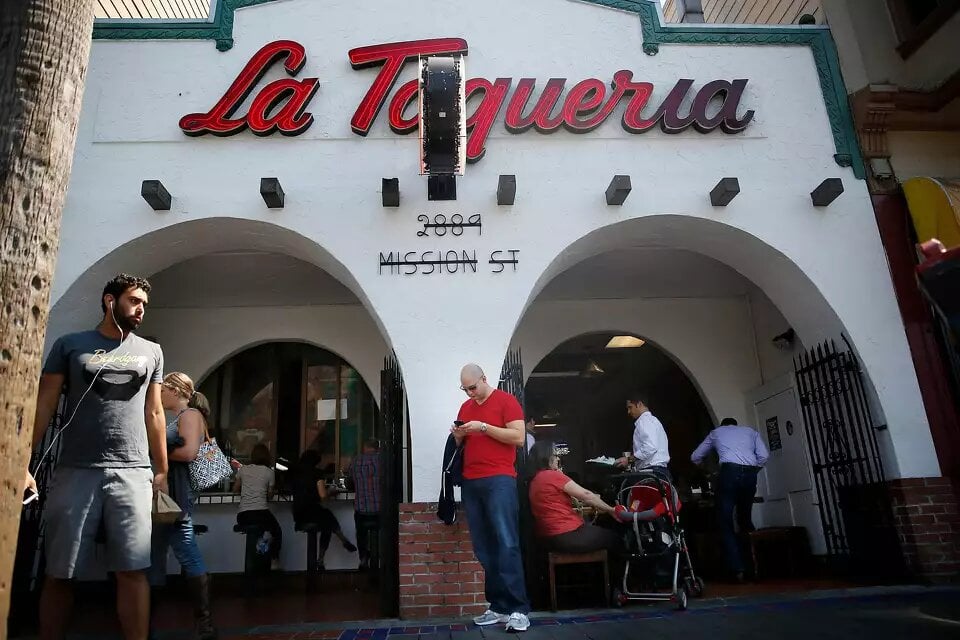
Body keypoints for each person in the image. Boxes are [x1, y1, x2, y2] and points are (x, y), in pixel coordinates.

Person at [25, 273, 167, 640]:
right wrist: (23, 464)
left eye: (145, 305)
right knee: (60, 571)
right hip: (76, 470)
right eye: (134, 301)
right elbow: (45, 403)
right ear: (110, 300)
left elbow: (154, 412)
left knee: (133, 569)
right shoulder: (70, 345)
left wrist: (161, 468)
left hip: (133, 471)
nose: (140, 310)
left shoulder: (151, 351)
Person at [451, 363, 530, 632]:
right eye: (465, 389)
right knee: (483, 545)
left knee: (506, 542)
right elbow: (462, 445)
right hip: (471, 482)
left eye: (472, 387)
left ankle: (519, 609)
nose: (470, 393)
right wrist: (459, 435)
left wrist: (484, 427)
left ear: (484, 379)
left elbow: (519, 437)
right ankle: (498, 606)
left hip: (499, 480)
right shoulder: (465, 408)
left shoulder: (507, 401)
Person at [151, 372, 217, 640]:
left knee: (184, 550)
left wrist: (154, 451)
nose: (160, 395)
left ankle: (205, 623)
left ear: (175, 390)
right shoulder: (178, 417)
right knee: (155, 554)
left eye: (163, 389)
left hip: (177, 493)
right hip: (171, 493)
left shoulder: (189, 415)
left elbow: (189, 453)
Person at [691, 417, 769, 582]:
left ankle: (737, 569)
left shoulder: (716, 433)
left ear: (723, 426)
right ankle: (754, 566)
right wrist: (752, 471)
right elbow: (763, 456)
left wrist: (704, 470)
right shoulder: (751, 432)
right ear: (735, 424)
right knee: (745, 520)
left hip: (729, 473)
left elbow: (696, 456)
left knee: (725, 522)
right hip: (750, 474)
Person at [528, 441, 619, 553]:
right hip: (567, 534)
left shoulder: (535, 480)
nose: (558, 459)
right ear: (546, 457)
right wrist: (611, 510)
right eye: (555, 456)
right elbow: (586, 495)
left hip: (548, 537)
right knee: (614, 537)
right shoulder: (552, 475)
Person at [292, 449, 357, 569]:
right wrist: (331, 493)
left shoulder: (295, 474)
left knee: (327, 520)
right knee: (328, 520)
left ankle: (341, 541)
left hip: (298, 513)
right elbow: (323, 496)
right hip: (312, 511)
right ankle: (322, 557)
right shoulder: (317, 473)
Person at [233, 444, 283, 570]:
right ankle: (273, 558)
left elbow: (235, 489)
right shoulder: (269, 472)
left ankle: (259, 548)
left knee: (262, 531)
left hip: (243, 515)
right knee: (276, 531)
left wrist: (247, 491)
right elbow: (270, 496)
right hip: (261, 513)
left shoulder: (243, 470)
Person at [615, 393, 671, 482]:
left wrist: (628, 460)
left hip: (651, 473)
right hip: (658, 472)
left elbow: (650, 447)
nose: (628, 412)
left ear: (639, 404)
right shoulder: (653, 421)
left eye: (630, 407)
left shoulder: (644, 421)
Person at [346, 439, 381, 570]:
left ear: (365, 447)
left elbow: (349, 484)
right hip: (380, 509)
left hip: (361, 509)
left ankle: (364, 558)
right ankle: (382, 556)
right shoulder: (383, 461)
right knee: (383, 531)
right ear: (377, 448)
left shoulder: (355, 461)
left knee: (361, 533)